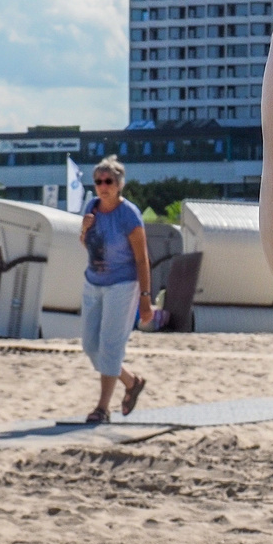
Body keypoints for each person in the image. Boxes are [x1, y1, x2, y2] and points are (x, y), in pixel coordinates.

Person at [77, 156, 153, 424]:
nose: (102, 186)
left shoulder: (128, 214)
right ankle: (130, 381)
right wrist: (84, 230)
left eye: (108, 181)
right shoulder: (92, 208)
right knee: (90, 344)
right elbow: (90, 245)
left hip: (122, 284)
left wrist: (146, 298)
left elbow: (142, 258)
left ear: (119, 184)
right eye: (98, 181)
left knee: (110, 345)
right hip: (94, 283)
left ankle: (101, 408)